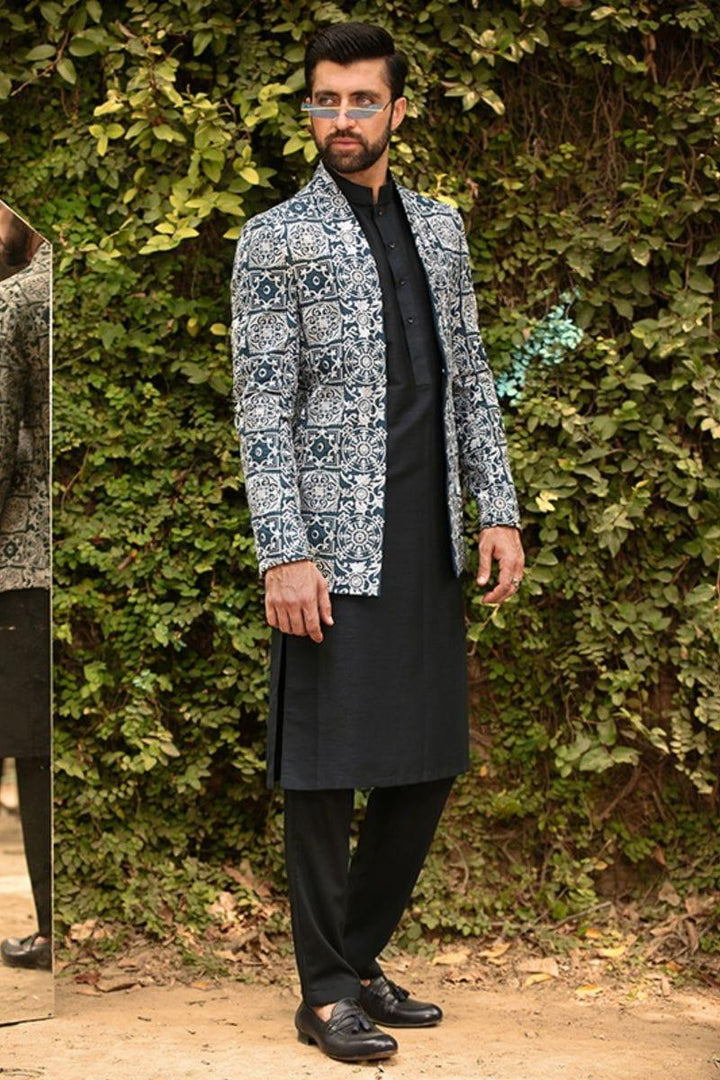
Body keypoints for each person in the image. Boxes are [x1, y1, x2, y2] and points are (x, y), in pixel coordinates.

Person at [230, 22, 524, 1063]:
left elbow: (470, 376)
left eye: (361, 100)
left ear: (398, 109)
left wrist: (498, 508)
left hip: (427, 536)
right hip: (330, 546)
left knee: (426, 761)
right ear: (309, 109)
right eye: (326, 99)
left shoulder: (441, 228)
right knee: (322, 771)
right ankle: (323, 995)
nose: (342, 118)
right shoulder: (275, 237)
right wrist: (284, 550)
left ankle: (352, 959)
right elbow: (261, 409)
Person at [0, 204, 52, 972]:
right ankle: (52, 925)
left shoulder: (15, 301)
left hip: (18, 560)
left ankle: (53, 928)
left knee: (33, 752)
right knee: (41, 751)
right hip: (50, 560)